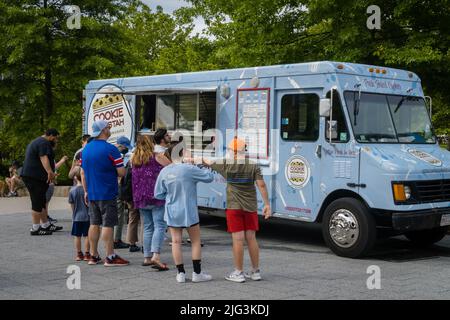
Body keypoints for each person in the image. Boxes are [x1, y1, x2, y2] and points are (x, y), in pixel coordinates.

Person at [203, 137, 271, 283]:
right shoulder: (253, 165)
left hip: (234, 207)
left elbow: (207, 161)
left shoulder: (226, 164)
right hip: (251, 207)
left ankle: (238, 272)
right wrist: (267, 204)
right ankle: (255, 271)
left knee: (238, 240)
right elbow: (262, 185)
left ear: (233, 151)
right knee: (251, 238)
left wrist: (193, 158)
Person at [154, 141, 214, 283]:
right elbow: (209, 177)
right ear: (181, 153)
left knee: (176, 242)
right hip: (189, 210)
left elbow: (158, 194)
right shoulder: (189, 169)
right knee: (195, 241)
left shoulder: (165, 171)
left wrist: (170, 196)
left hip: (172, 210)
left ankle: (180, 273)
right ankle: (197, 273)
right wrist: (199, 164)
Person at [80, 120, 129, 267]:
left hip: (92, 192)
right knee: (108, 224)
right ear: (103, 130)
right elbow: (121, 172)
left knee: (94, 223)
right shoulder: (111, 149)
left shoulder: (86, 149)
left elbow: (83, 172)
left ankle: (93, 255)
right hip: (107, 191)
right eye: (108, 127)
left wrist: (86, 191)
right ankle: (110, 256)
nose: (110, 129)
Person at [131, 135, 171, 270]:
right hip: (157, 196)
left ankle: (147, 257)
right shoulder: (158, 156)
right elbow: (172, 169)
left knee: (147, 226)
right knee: (159, 225)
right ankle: (156, 255)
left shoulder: (134, 159)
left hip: (141, 197)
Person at [21, 129, 63, 235]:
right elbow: (43, 157)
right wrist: (50, 172)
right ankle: (35, 229)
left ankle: (45, 225)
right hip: (34, 178)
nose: (56, 140)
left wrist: (50, 173)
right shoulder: (43, 143)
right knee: (36, 201)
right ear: (51, 135)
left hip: (35, 177)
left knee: (42, 201)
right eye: (56, 137)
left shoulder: (38, 141)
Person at [114, 136, 141, 252]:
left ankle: (117, 239)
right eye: (125, 147)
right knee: (125, 215)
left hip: (119, 187)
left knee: (122, 215)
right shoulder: (122, 156)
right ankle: (118, 240)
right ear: (120, 145)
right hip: (122, 188)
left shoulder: (118, 154)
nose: (126, 150)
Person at [69, 167, 91, 261]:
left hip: (77, 217)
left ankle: (79, 254)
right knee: (87, 236)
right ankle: (87, 253)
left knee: (77, 236)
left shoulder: (72, 190)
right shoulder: (87, 190)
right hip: (87, 216)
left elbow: (72, 205)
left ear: (75, 178)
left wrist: (73, 214)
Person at [46, 141, 69, 223]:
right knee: (46, 201)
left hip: (48, 181)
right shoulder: (48, 156)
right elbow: (53, 167)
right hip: (48, 182)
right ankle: (45, 217)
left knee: (46, 201)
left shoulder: (46, 155)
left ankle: (45, 216)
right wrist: (62, 160)